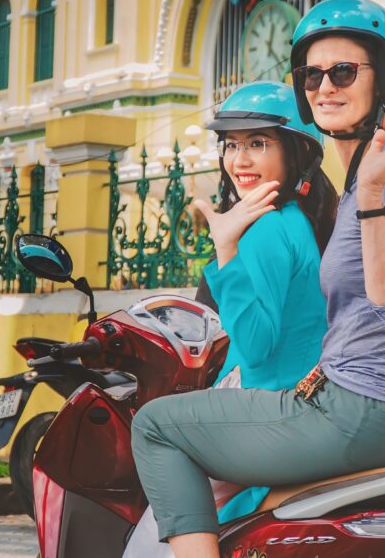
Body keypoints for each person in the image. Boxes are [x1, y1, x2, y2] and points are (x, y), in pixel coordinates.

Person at [131, 0, 385, 558]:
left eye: (343, 71)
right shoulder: (362, 177)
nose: (324, 87)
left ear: (384, 75)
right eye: (311, 76)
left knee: (154, 426)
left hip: (372, 410)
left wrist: (370, 195)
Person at [124, 81, 338, 556]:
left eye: (257, 143)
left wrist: (225, 247)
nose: (239, 160)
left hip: (266, 407)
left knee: (153, 444)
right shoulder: (304, 221)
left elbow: (257, 346)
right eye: (231, 144)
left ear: (297, 153)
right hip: (305, 399)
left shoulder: (266, 229)